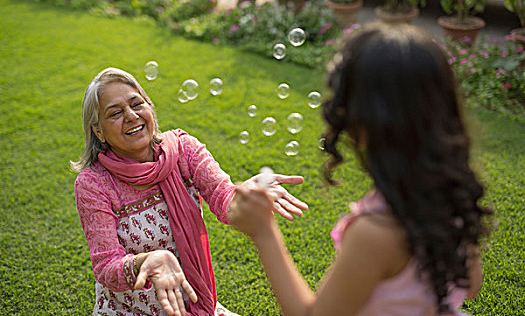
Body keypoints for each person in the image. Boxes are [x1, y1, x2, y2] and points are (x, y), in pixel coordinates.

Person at [228, 23, 492, 315]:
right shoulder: (452, 197)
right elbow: (472, 284)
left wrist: (264, 233)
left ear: (362, 121)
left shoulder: (375, 232)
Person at [71, 67, 308, 316]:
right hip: (130, 311)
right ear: (99, 131)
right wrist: (148, 262)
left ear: (149, 107)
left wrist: (243, 194)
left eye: (136, 104)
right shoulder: (93, 184)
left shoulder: (183, 149)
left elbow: (223, 198)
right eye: (115, 113)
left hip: (193, 306)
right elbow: (106, 266)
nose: (131, 116)